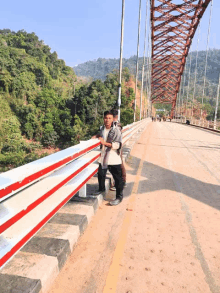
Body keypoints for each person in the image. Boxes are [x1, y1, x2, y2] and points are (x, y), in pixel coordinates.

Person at [92, 110, 124, 206]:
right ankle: (101, 190)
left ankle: (119, 197)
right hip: (104, 157)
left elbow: (118, 145)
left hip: (113, 158)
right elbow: (101, 135)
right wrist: (95, 136)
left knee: (118, 178)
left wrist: (104, 143)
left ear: (112, 119)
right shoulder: (102, 129)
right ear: (103, 119)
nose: (107, 120)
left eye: (109, 118)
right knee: (101, 174)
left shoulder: (116, 130)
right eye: (106, 118)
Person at [111, 109, 127, 188]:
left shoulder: (116, 125)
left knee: (118, 165)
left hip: (116, 147)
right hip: (117, 146)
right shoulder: (118, 124)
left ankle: (121, 182)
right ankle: (122, 181)